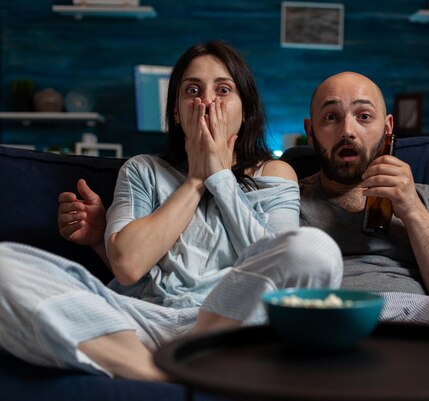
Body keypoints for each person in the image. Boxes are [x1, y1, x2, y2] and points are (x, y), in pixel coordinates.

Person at [56, 72, 429, 401]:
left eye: (363, 115)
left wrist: (412, 211)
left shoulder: (426, 197)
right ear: (312, 131)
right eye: (331, 117)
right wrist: (106, 242)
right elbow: (207, 271)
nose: (347, 129)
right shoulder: (275, 194)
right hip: (319, 320)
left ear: (388, 128)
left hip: (421, 315)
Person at [0, 41, 343, 382]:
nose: (207, 101)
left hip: (226, 321)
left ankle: (175, 363)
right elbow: (128, 266)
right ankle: (158, 374)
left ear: (245, 109)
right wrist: (195, 180)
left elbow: (278, 268)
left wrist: (220, 177)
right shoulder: (142, 170)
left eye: (223, 89)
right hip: (140, 322)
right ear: (177, 111)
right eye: (192, 90)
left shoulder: (273, 173)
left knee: (315, 249)